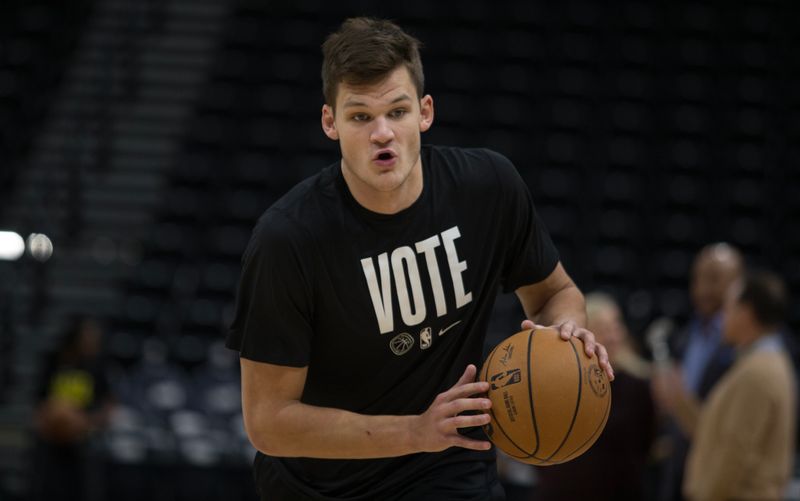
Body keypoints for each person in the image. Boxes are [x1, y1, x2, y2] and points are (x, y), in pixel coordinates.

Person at [226, 17, 613, 501]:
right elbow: (269, 422)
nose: (382, 133)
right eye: (360, 116)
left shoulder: (488, 187)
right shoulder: (288, 240)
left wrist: (567, 331)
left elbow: (554, 293)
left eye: (397, 111)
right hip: (320, 489)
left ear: (425, 112)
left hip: (450, 472)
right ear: (330, 122)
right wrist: (415, 430)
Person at [680, 270, 796, 501]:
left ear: (746, 312)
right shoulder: (759, 363)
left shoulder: (758, 372)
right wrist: (680, 403)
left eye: (728, 307)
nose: (723, 317)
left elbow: (735, 453)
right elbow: (717, 433)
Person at [532, 292, 656, 501]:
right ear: (585, 334)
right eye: (604, 328)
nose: (613, 335)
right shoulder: (559, 383)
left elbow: (645, 446)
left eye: (616, 326)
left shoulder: (638, 386)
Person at [651, 242, 742, 501]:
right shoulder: (685, 336)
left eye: (714, 279)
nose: (703, 289)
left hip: (719, 475)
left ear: (739, 284)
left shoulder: (747, 344)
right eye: (698, 279)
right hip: (678, 466)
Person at [31, 315, 114, 501]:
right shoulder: (54, 361)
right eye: (89, 336)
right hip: (53, 435)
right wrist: (53, 418)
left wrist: (86, 422)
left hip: (83, 435)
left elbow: (109, 405)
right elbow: (40, 401)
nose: (94, 341)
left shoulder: (96, 367)